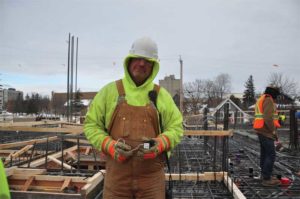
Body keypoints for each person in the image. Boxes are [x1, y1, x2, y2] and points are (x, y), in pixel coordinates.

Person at [84, 37, 183, 198]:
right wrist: (109, 145)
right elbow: (91, 125)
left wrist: (159, 143)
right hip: (117, 182)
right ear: (129, 61)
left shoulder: (161, 96)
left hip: (151, 181)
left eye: (147, 60)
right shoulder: (110, 92)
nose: (142, 64)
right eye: (138, 58)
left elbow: (176, 127)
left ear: (154, 66)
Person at [253, 86, 281, 186]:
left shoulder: (262, 98)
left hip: (261, 130)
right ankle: (266, 178)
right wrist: (273, 130)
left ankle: (265, 175)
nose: (276, 98)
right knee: (271, 155)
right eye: (276, 96)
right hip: (266, 131)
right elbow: (268, 117)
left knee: (265, 154)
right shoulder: (268, 100)